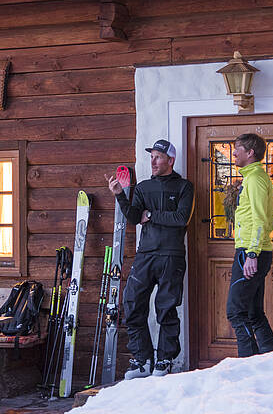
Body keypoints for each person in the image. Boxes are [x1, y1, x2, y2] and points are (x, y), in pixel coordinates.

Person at [106, 139, 194, 379]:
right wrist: (120, 196)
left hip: (171, 256)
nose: (153, 161)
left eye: (158, 157)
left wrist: (152, 214)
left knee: (165, 309)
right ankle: (142, 360)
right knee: (132, 304)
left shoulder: (185, 187)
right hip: (145, 255)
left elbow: (180, 218)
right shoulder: (144, 187)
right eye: (151, 156)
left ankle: (164, 360)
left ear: (170, 161)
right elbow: (135, 217)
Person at [226, 133, 273, 357]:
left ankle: (248, 362)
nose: (234, 152)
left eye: (238, 148)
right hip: (252, 250)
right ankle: (270, 359)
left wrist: (252, 254)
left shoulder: (256, 179)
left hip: (250, 251)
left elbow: (260, 219)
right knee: (253, 312)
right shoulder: (251, 178)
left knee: (236, 312)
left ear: (251, 153)